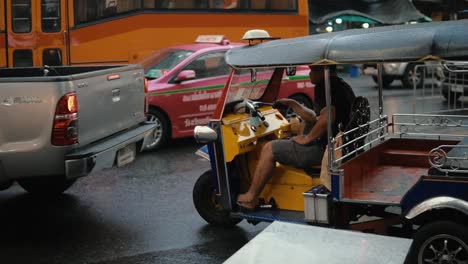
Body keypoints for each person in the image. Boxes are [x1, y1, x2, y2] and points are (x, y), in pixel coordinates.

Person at [237, 65, 356, 209]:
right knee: (299, 132)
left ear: (323, 71)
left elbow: (328, 117)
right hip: (339, 147)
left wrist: (307, 139)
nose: (309, 74)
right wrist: (294, 105)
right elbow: (316, 118)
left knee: (269, 148)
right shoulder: (342, 86)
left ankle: (251, 198)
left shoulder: (325, 87)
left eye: (312, 70)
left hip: (325, 151)